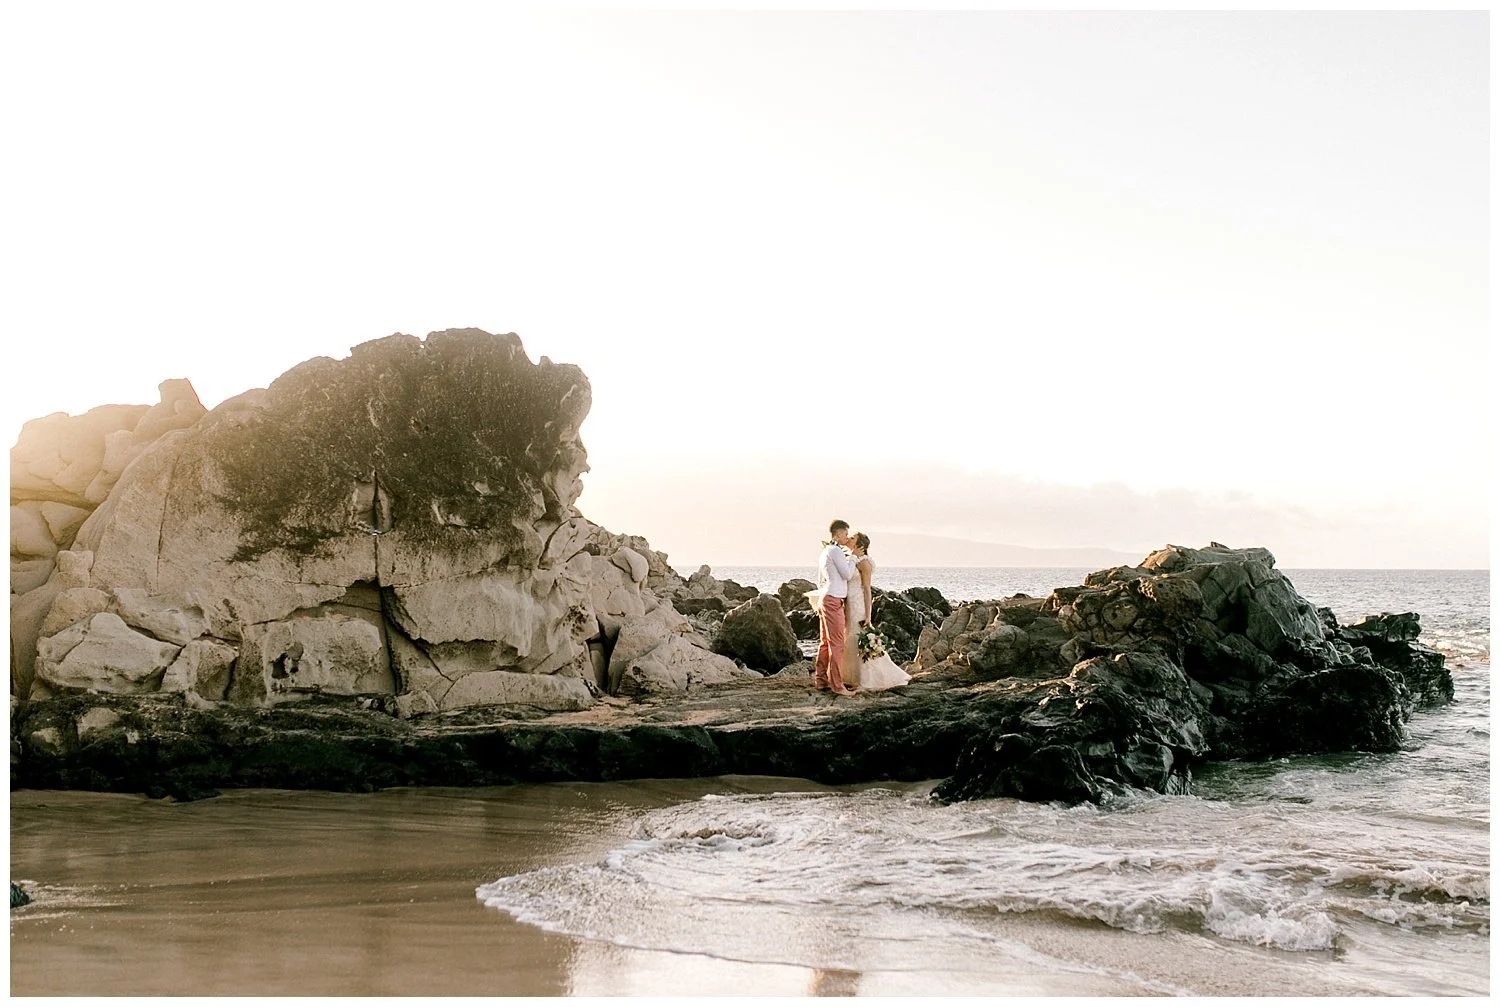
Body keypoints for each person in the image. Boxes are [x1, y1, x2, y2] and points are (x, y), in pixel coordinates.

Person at [842, 532, 911, 692]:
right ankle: (851, 675)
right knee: (849, 636)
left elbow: (867, 590)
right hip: (849, 603)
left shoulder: (864, 563)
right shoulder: (852, 560)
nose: (850, 539)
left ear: (860, 545)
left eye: (853, 538)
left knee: (858, 636)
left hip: (858, 603)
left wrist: (868, 616)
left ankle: (869, 678)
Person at [811, 519, 858, 697]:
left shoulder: (825, 551)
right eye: (846, 534)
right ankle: (837, 685)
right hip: (833, 600)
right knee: (837, 643)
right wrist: (853, 556)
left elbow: (821, 579)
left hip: (825, 597)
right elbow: (846, 574)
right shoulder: (836, 551)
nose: (847, 537)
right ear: (838, 534)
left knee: (825, 642)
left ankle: (821, 679)